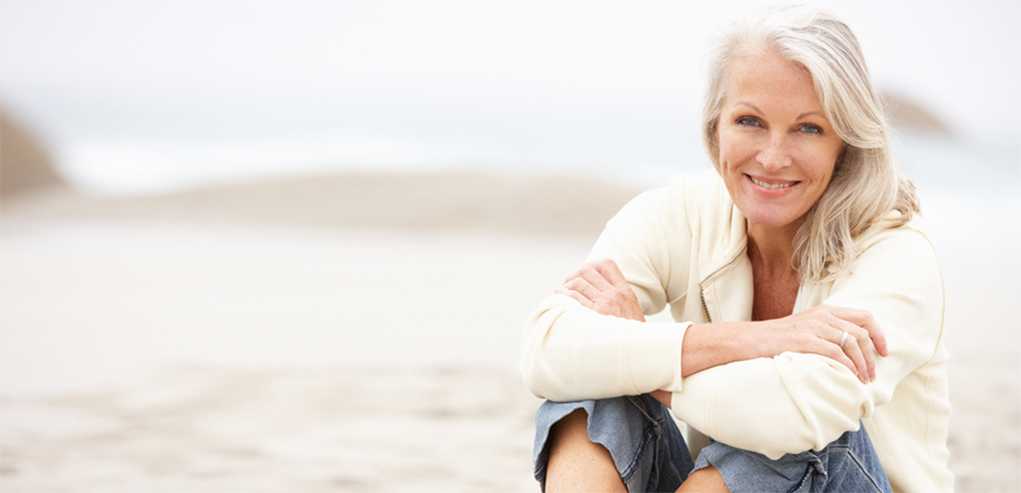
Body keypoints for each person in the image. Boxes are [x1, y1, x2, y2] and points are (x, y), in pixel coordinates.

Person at [519, 8, 952, 493]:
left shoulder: (897, 255)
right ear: (714, 129)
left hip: (841, 479)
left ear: (845, 145)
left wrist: (642, 361)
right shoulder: (679, 213)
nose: (771, 157)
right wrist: (762, 338)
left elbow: (790, 416)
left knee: (800, 441)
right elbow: (546, 349)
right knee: (589, 398)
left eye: (808, 128)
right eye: (750, 121)